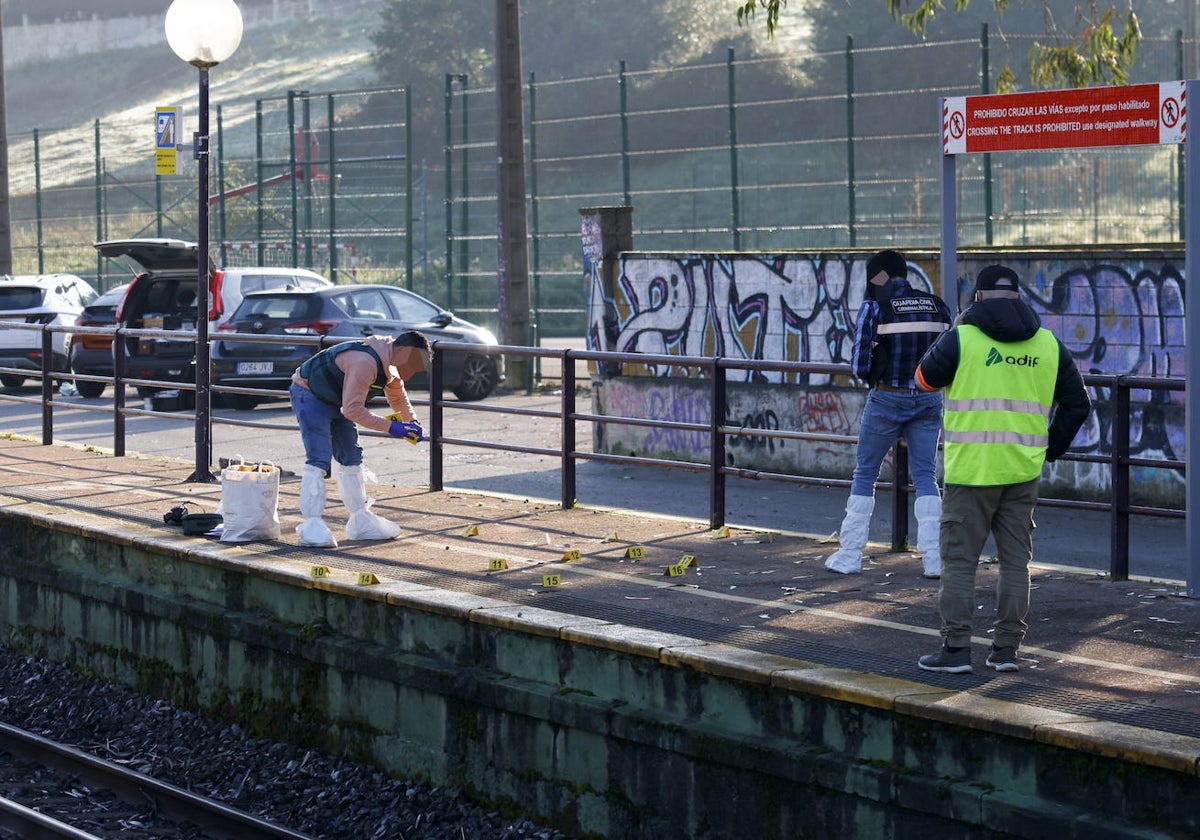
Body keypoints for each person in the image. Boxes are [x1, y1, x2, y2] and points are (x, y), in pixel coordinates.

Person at [914, 264, 1091, 674]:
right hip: (1022, 472)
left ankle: (956, 650)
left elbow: (923, 378)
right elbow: (1078, 404)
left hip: (970, 474)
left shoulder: (962, 338)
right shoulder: (1048, 344)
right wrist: (1049, 448)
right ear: (1018, 297)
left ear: (977, 298)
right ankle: (1006, 650)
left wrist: (954, 330)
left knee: (960, 563)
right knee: (1016, 564)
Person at [825, 249, 952, 578]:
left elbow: (859, 364)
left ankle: (851, 554)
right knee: (925, 476)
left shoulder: (875, 306)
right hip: (928, 399)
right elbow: (950, 356)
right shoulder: (936, 305)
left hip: (887, 398)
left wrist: (874, 379)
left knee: (865, 473)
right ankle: (934, 559)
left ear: (879, 274)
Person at [289, 331, 431, 547]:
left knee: (351, 455)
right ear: (403, 352)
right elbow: (353, 410)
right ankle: (312, 525)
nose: (412, 372)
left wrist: (412, 423)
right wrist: (392, 428)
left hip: (337, 399)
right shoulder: (366, 362)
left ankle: (360, 519)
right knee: (319, 457)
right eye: (413, 364)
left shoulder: (391, 365)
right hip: (310, 393)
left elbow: (398, 397)